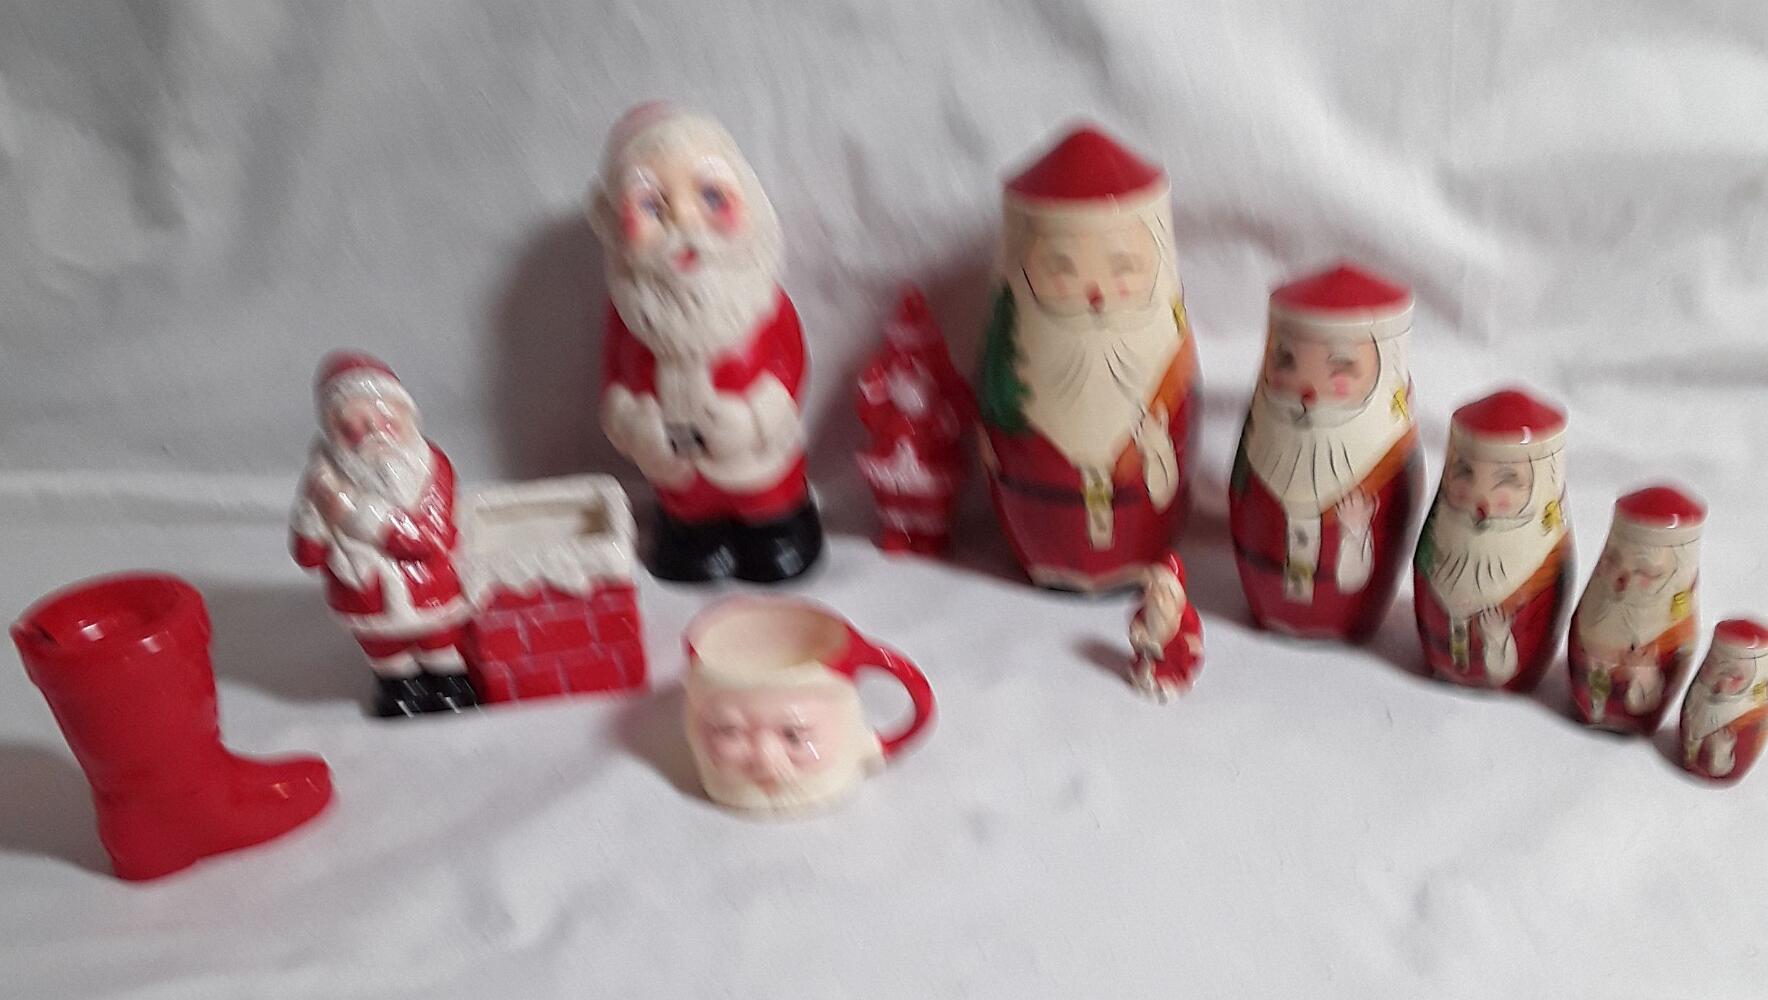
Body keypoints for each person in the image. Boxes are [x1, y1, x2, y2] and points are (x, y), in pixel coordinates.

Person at [589, 102, 822, 583]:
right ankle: (694, 536)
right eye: (651, 205)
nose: (685, 223)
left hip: (758, 467)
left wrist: (755, 418)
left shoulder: (763, 303)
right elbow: (614, 376)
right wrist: (631, 423)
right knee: (687, 531)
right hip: (677, 478)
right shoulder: (629, 316)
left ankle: (777, 529)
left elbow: (790, 366)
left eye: (711, 196)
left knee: (771, 518)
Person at [976, 127, 1200, 592]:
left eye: (1124, 268)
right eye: (1063, 269)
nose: (1095, 295)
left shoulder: (1162, 377)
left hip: (1145, 545)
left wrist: (1155, 450)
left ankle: (1134, 557)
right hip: (1040, 538)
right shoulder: (1015, 377)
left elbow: (1166, 476)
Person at [289, 352, 476, 717]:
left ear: (407, 416)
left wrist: (350, 511)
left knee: (440, 648)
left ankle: (451, 684)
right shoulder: (323, 484)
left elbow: (429, 538)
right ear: (335, 432)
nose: (374, 433)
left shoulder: (432, 467)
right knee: (388, 655)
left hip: (429, 589)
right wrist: (312, 513)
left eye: (385, 421)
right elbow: (308, 557)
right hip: (366, 596)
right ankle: (400, 688)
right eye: (354, 428)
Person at [1413, 390, 1573, 691]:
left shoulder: (1540, 570)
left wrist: (1498, 639)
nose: (1481, 498)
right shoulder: (1440, 544)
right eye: (1465, 474)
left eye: (1506, 482)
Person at [1128, 552, 1204, 702]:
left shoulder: (1186, 615)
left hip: (1173, 661)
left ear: (1173, 591)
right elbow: (1137, 623)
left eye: (1161, 589)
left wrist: (1180, 647)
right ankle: (1147, 676)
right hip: (1147, 658)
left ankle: (1170, 681)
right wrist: (1138, 634)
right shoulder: (1146, 610)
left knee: (1170, 674)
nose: (1155, 594)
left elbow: (1192, 643)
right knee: (1145, 668)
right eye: (1152, 587)